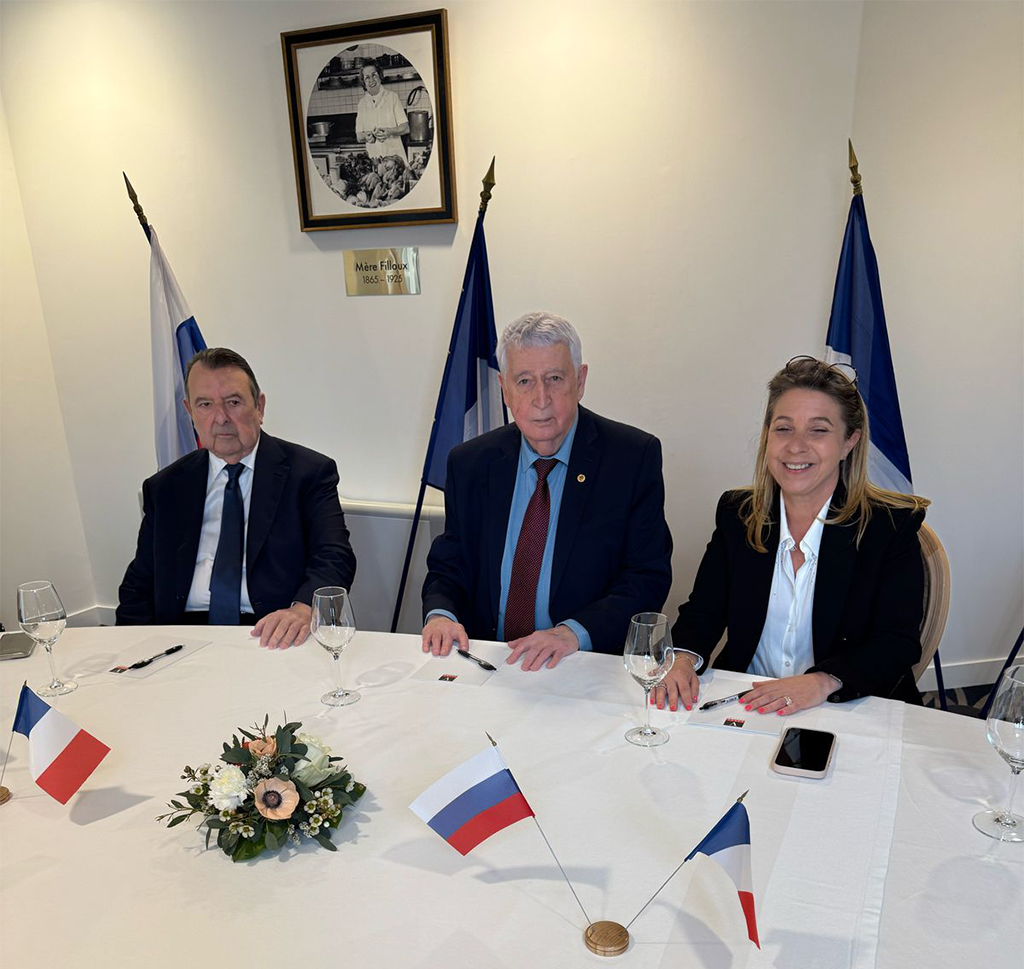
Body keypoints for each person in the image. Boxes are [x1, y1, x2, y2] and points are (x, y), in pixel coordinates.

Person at [656, 356, 930, 715]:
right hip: (749, 701)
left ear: (849, 442)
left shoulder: (889, 527)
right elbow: (703, 613)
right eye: (784, 428)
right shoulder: (738, 514)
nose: (796, 446)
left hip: (848, 705)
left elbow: (896, 643)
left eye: (818, 430)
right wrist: (682, 660)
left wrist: (823, 680)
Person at [421, 311, 673, 671]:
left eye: (554, 378)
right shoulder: (470, 463)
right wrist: (441, 615)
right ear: (504, 389)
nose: (541, 398)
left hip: (581, 663)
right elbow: (450, 565)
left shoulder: (631, 458)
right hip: (489, 662)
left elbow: (646, 577)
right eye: (524, 381)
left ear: (580, 380)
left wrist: (573, 633)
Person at [116, 348, 356, 648]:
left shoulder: (309, 473)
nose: (221, 418)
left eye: (233, 402)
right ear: (190, 412)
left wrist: (304, 608)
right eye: (205, 404)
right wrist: (129, 648)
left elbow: (334, 555)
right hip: (180, 636)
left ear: (259, 406)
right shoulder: (165, 487)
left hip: (272, 632)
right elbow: (140, 581)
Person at [354, 60, 409, 163]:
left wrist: (390, 131)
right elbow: (359, 136)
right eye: (367, 77)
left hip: (395, 158)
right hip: (374, 159)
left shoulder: (392, 97)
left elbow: (406, 128)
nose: (371, 80)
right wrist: (367, 136)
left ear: (380, 75)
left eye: (374, 75)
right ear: (364, 82)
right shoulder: (362, 104)